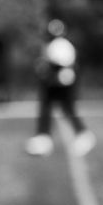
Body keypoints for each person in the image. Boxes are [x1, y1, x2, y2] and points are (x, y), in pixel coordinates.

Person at [25, 19, 95, 157]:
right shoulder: (59, 45)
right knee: (55, 109)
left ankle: (80, 135)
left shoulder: (59, 46)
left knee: (60, 109)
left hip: (60, 84)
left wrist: (47, 71)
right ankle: (45, 138)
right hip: (58, 83)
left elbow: (60, 67)